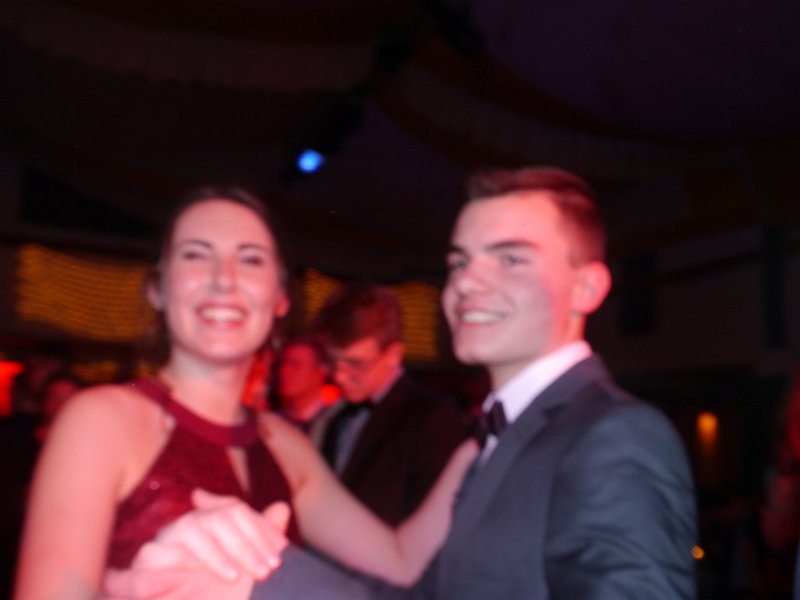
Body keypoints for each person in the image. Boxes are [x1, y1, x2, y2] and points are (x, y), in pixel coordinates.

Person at [103, 166, 698, 599]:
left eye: (510, 258)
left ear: (588, 288)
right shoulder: (496, 440)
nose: (468, 283)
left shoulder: (615, 434)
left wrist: (265, 579)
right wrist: (259, 573)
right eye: (460, 262)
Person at [14, 187, 478, 600]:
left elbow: (399, 560)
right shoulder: (101, 420)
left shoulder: (285, 445)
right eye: (196, 255)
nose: (224, 278)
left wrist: (479, 445)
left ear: (280, 298)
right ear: (158, 287)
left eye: (251, 259)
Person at [311, 283, 467, 525]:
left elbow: (435, 519)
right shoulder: (336, 417)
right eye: (333, 361)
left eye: (355, 363)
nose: (339, 377)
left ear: (393, 355)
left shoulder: (432, 417)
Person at [274, 336, 331, 431]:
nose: (284, 371)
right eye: (283, 364)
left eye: (296, 365)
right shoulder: (273, 422)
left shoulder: (331, 427)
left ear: (320, 372)